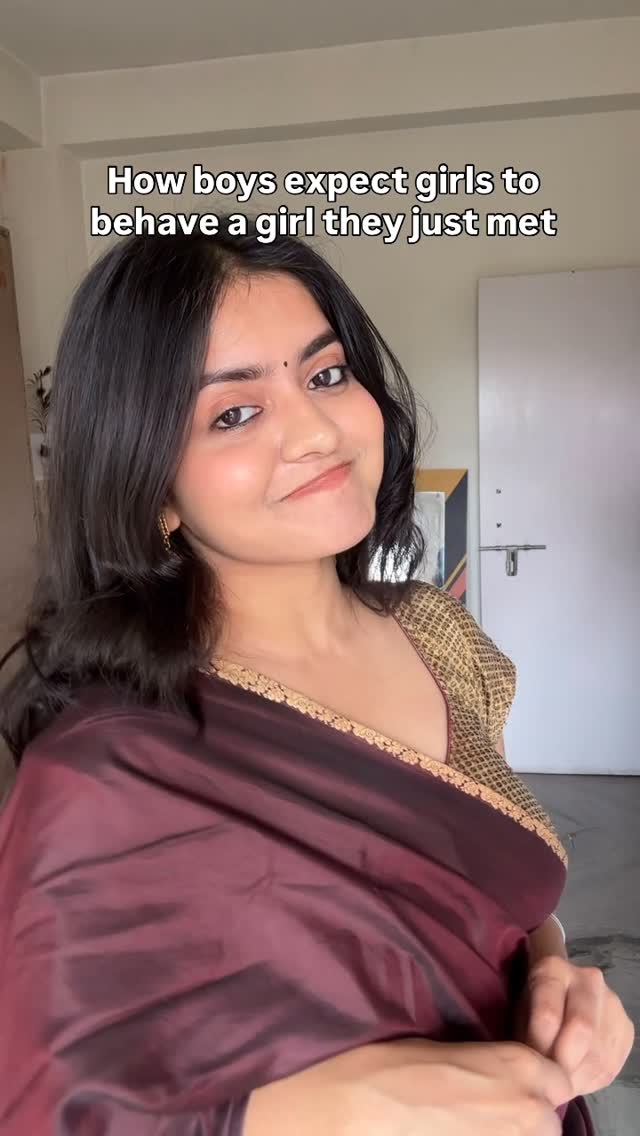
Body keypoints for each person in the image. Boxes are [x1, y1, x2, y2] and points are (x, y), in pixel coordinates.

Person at [0, 224, 632, 1136]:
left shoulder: (438, 634)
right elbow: (45, 1104)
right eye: (233, 413)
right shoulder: (106, 766)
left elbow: (487, 894)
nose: (318, 431)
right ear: (153, 484)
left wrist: (557, 973)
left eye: (327, 374)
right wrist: (317, 1109)